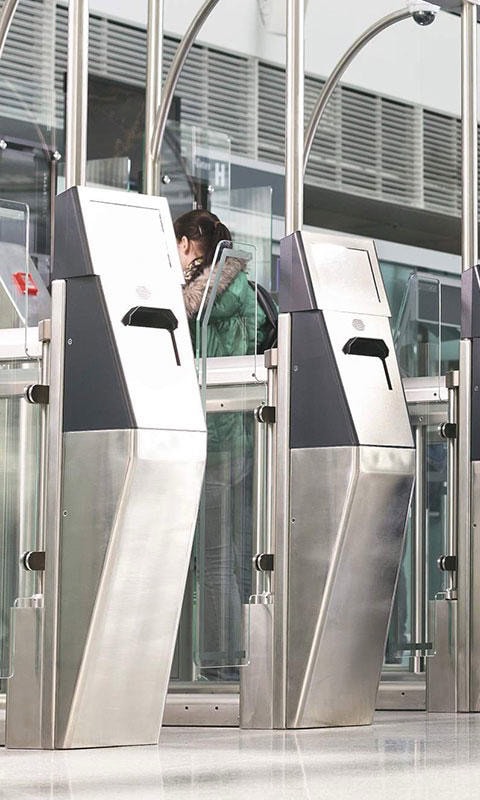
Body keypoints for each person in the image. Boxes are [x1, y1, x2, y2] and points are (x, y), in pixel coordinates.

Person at [176, 208, 267, 679]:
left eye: (178, 244)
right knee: (240, 555)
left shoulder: (197, 302)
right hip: (246, 439)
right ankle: (247, 656)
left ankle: (219, 660)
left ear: (191, 244)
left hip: (210, 437)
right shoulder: (244, 293)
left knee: (211, 558)